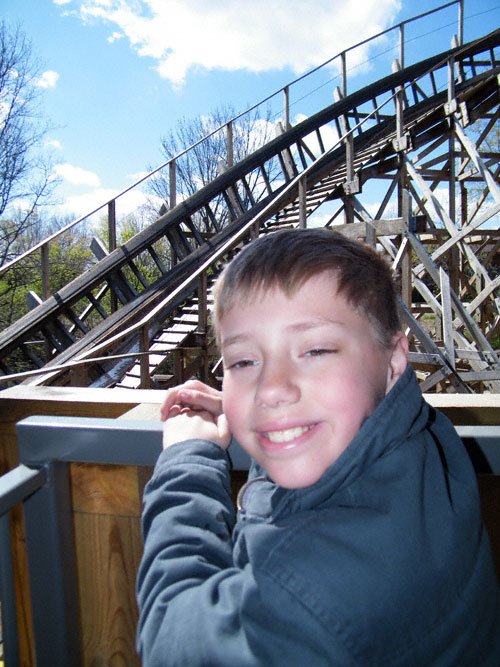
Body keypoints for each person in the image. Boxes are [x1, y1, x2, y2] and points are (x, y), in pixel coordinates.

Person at [136, 228, 500, 666]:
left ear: (394, 360)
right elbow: (313, 412)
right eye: (244, 362)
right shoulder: (420, 441)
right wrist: (262, 420)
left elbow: (170, 636)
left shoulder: (311, 595)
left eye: (316, 350)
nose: (271, 390)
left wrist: (186, 458)